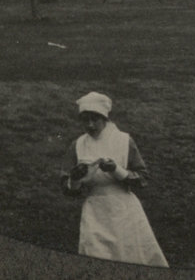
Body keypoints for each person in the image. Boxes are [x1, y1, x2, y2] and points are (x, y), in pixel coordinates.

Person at [61, 92, 169, 267]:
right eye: (85, 120)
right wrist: (75, 178)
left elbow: (143, 179)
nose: (90, 124)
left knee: (129, 256)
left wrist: (116, 170)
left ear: (105, 118)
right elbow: (68, 189)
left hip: (123, 210)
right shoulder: (78, 145)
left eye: (95, 119)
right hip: (94, 210)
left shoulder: (124, 141)